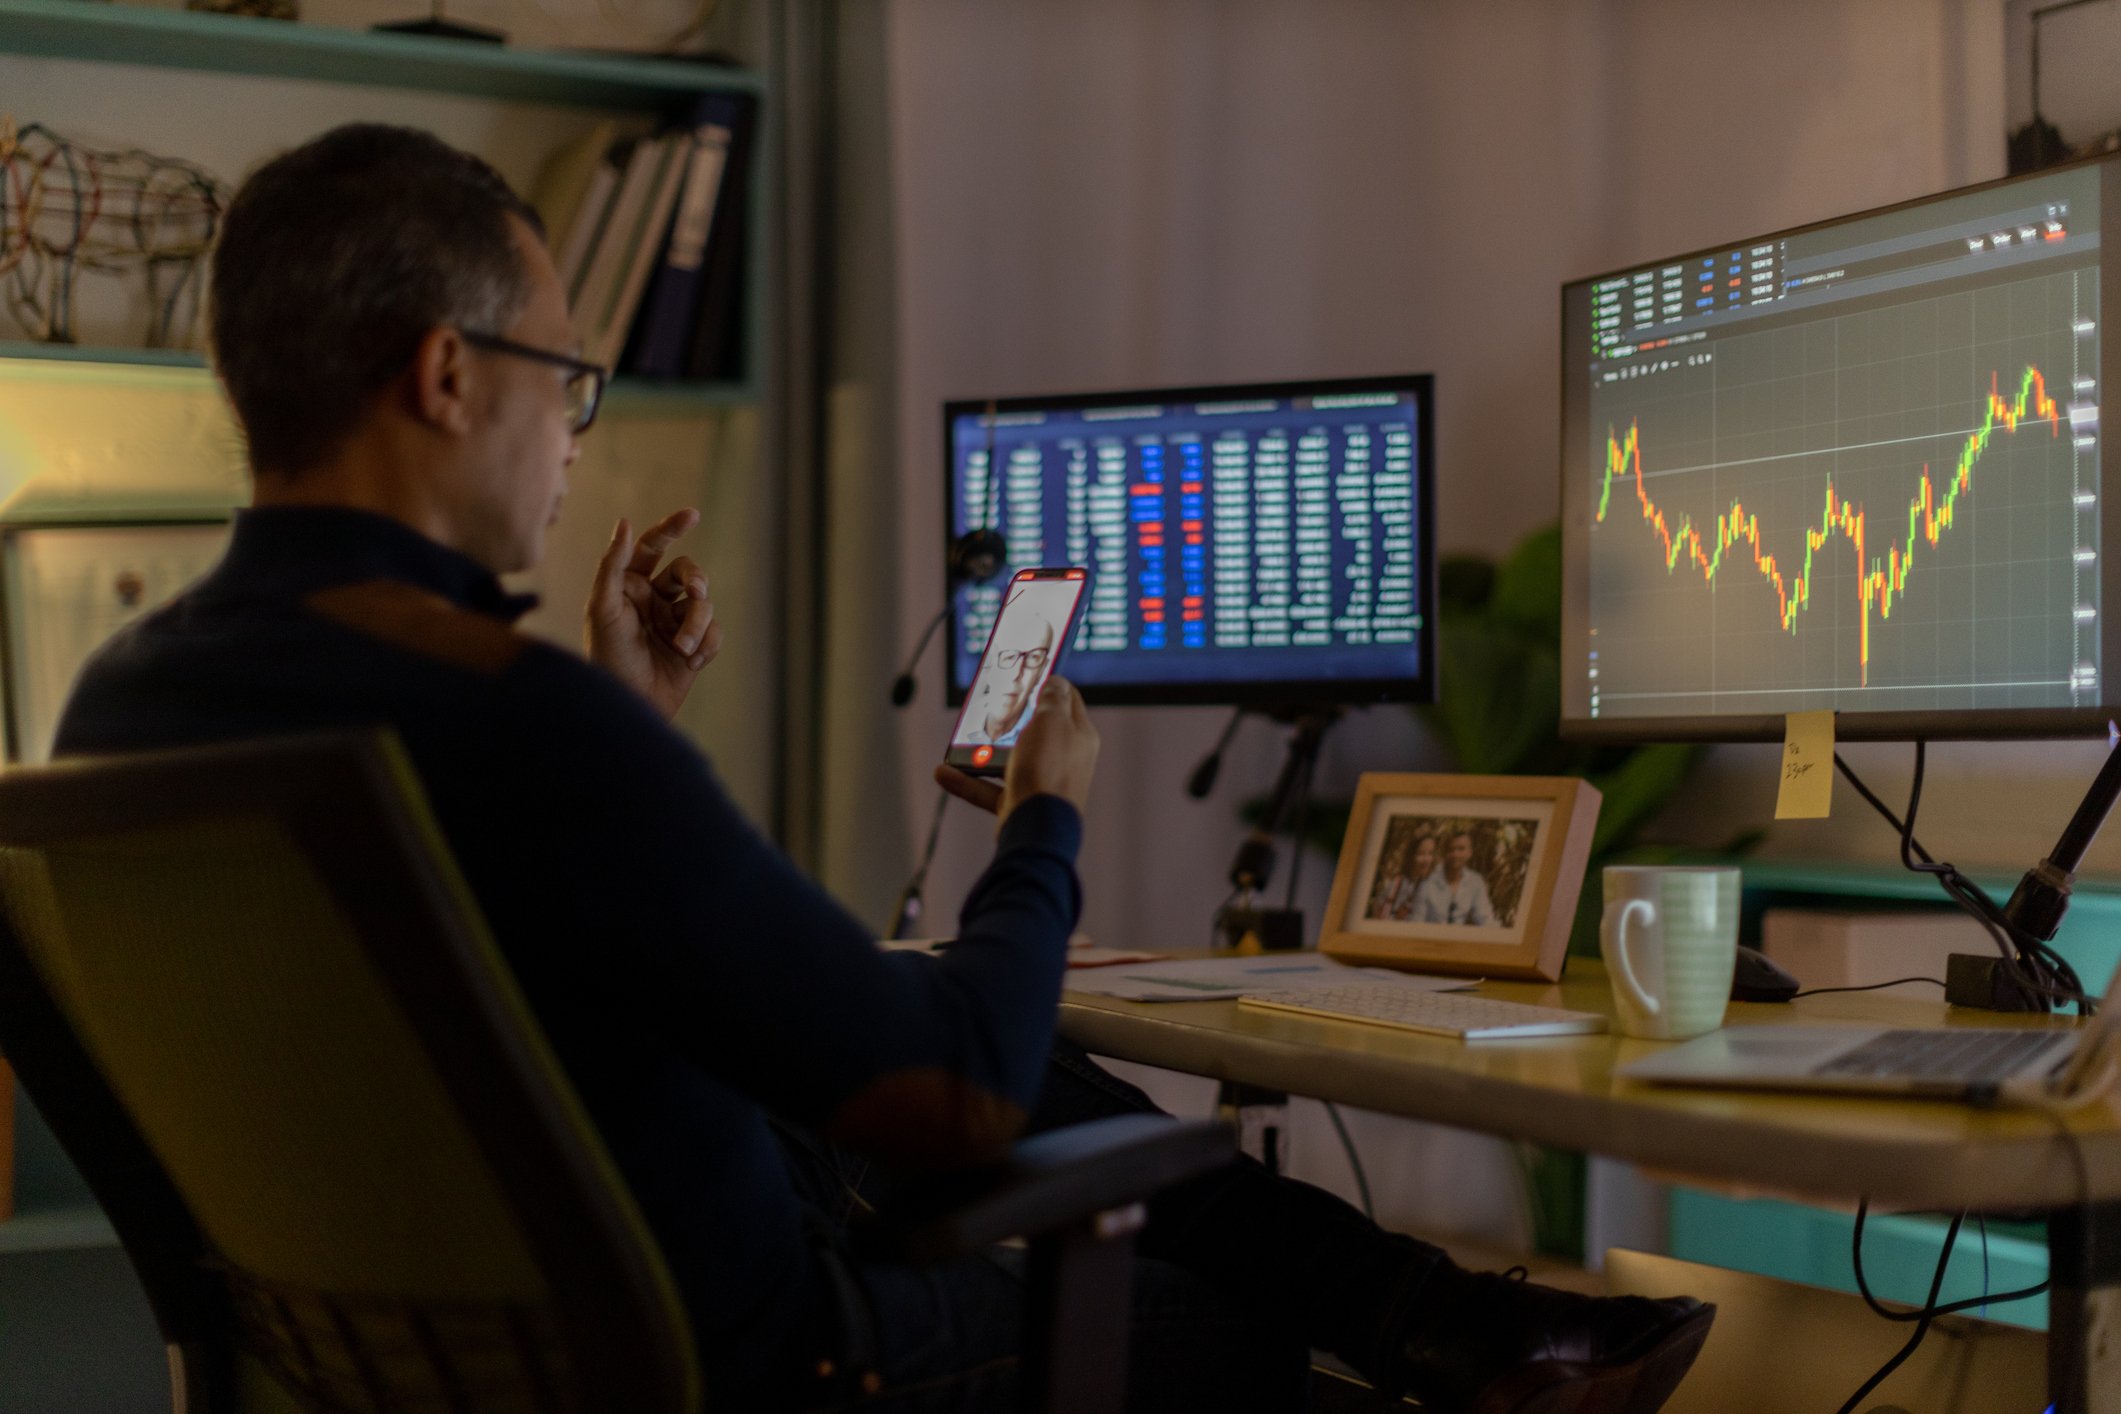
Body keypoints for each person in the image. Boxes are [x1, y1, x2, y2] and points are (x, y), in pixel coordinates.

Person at [55, 125, 1711, 1413]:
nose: (571, 432)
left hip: (419, 1341)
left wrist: (626, 714)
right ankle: (1455, 1336)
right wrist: (1050, 804)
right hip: (754, 1359)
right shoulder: (512, 720)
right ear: (445, 375)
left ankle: (1474, 1322)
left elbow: (501, 973)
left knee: (1021, 1078)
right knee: (1187, 1282)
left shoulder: (123, 704)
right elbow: (962, 1085)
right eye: (570, 380)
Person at [958, 610, 1055, 745]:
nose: (1016, 674)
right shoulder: (961, 726)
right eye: (1008, 657)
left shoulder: (1046, 740)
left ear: (1042, 670)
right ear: (989, 662)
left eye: (1033, 657)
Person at [1416, 830, 1499, 927]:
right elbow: (1417, 921)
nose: (1455, 854)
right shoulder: (1428, 882)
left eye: (1461, 849)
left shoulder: (1475, 882)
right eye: (1451, 849)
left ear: (1469, 853)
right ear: (1444, 853)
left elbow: (1485, 918)